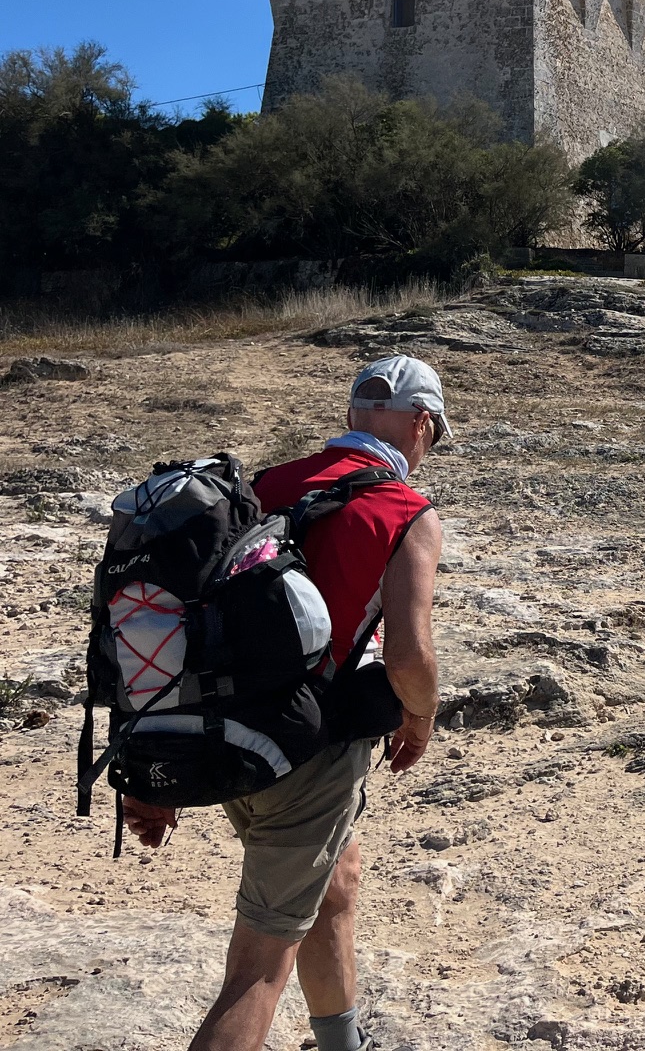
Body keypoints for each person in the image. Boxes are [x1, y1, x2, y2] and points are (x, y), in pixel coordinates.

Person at [121, 356, 451, 1051]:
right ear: (422, 424)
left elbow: (181, 620)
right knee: (257, 971)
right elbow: (408, 657)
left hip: (224, 732)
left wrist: (160, 769)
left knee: (336, 881)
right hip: (307, 755)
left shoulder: (262, 486)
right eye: (433, 434)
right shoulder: (405, 511)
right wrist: (420, 716)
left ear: (352, 414)